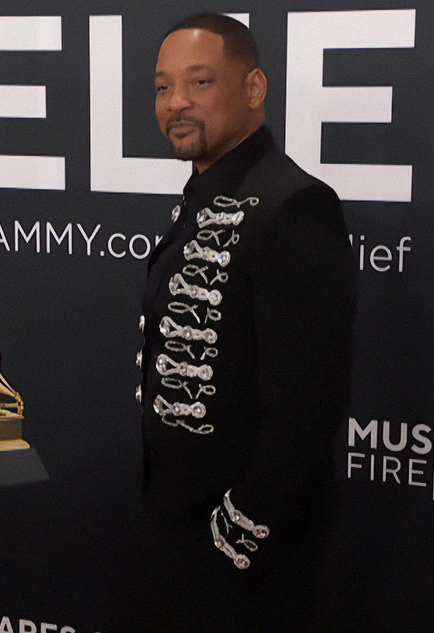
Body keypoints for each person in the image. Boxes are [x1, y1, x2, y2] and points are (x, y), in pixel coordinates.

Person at [135, 13, 356, 632]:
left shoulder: (293, 205)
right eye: (161, 87)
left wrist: (235, 532)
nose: (175, 103)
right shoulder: (200, 198)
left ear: (253, 89)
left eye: (199, 83)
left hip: (247, 560)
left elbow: (306, 408)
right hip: (177, 534)